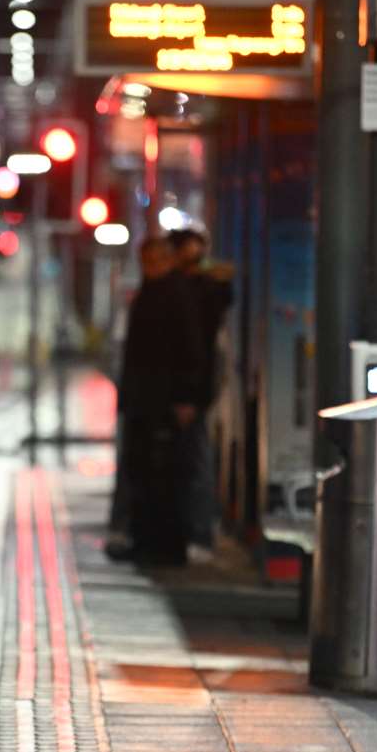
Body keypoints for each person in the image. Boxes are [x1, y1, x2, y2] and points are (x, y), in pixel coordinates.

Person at [116, 237, 206, 564]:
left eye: (156, 261)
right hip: (146, 400)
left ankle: (164, 545)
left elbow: (188, 349)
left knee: (164, 474)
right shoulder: (153, 292)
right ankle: (146, 541)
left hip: (163, 401)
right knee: (144, 471)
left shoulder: (175, 294)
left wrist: (185, 397)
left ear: (167, 260)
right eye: (146, 261)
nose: (150, 267)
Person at [169, 228, 234, 563]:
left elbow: (192, 348)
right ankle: (189, 533)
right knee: (187, 463)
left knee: (195, 463)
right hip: (189, 392)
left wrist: (188, 397)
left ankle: (198, 534)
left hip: (191, 395)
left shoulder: (200, 291)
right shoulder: (182, 288)